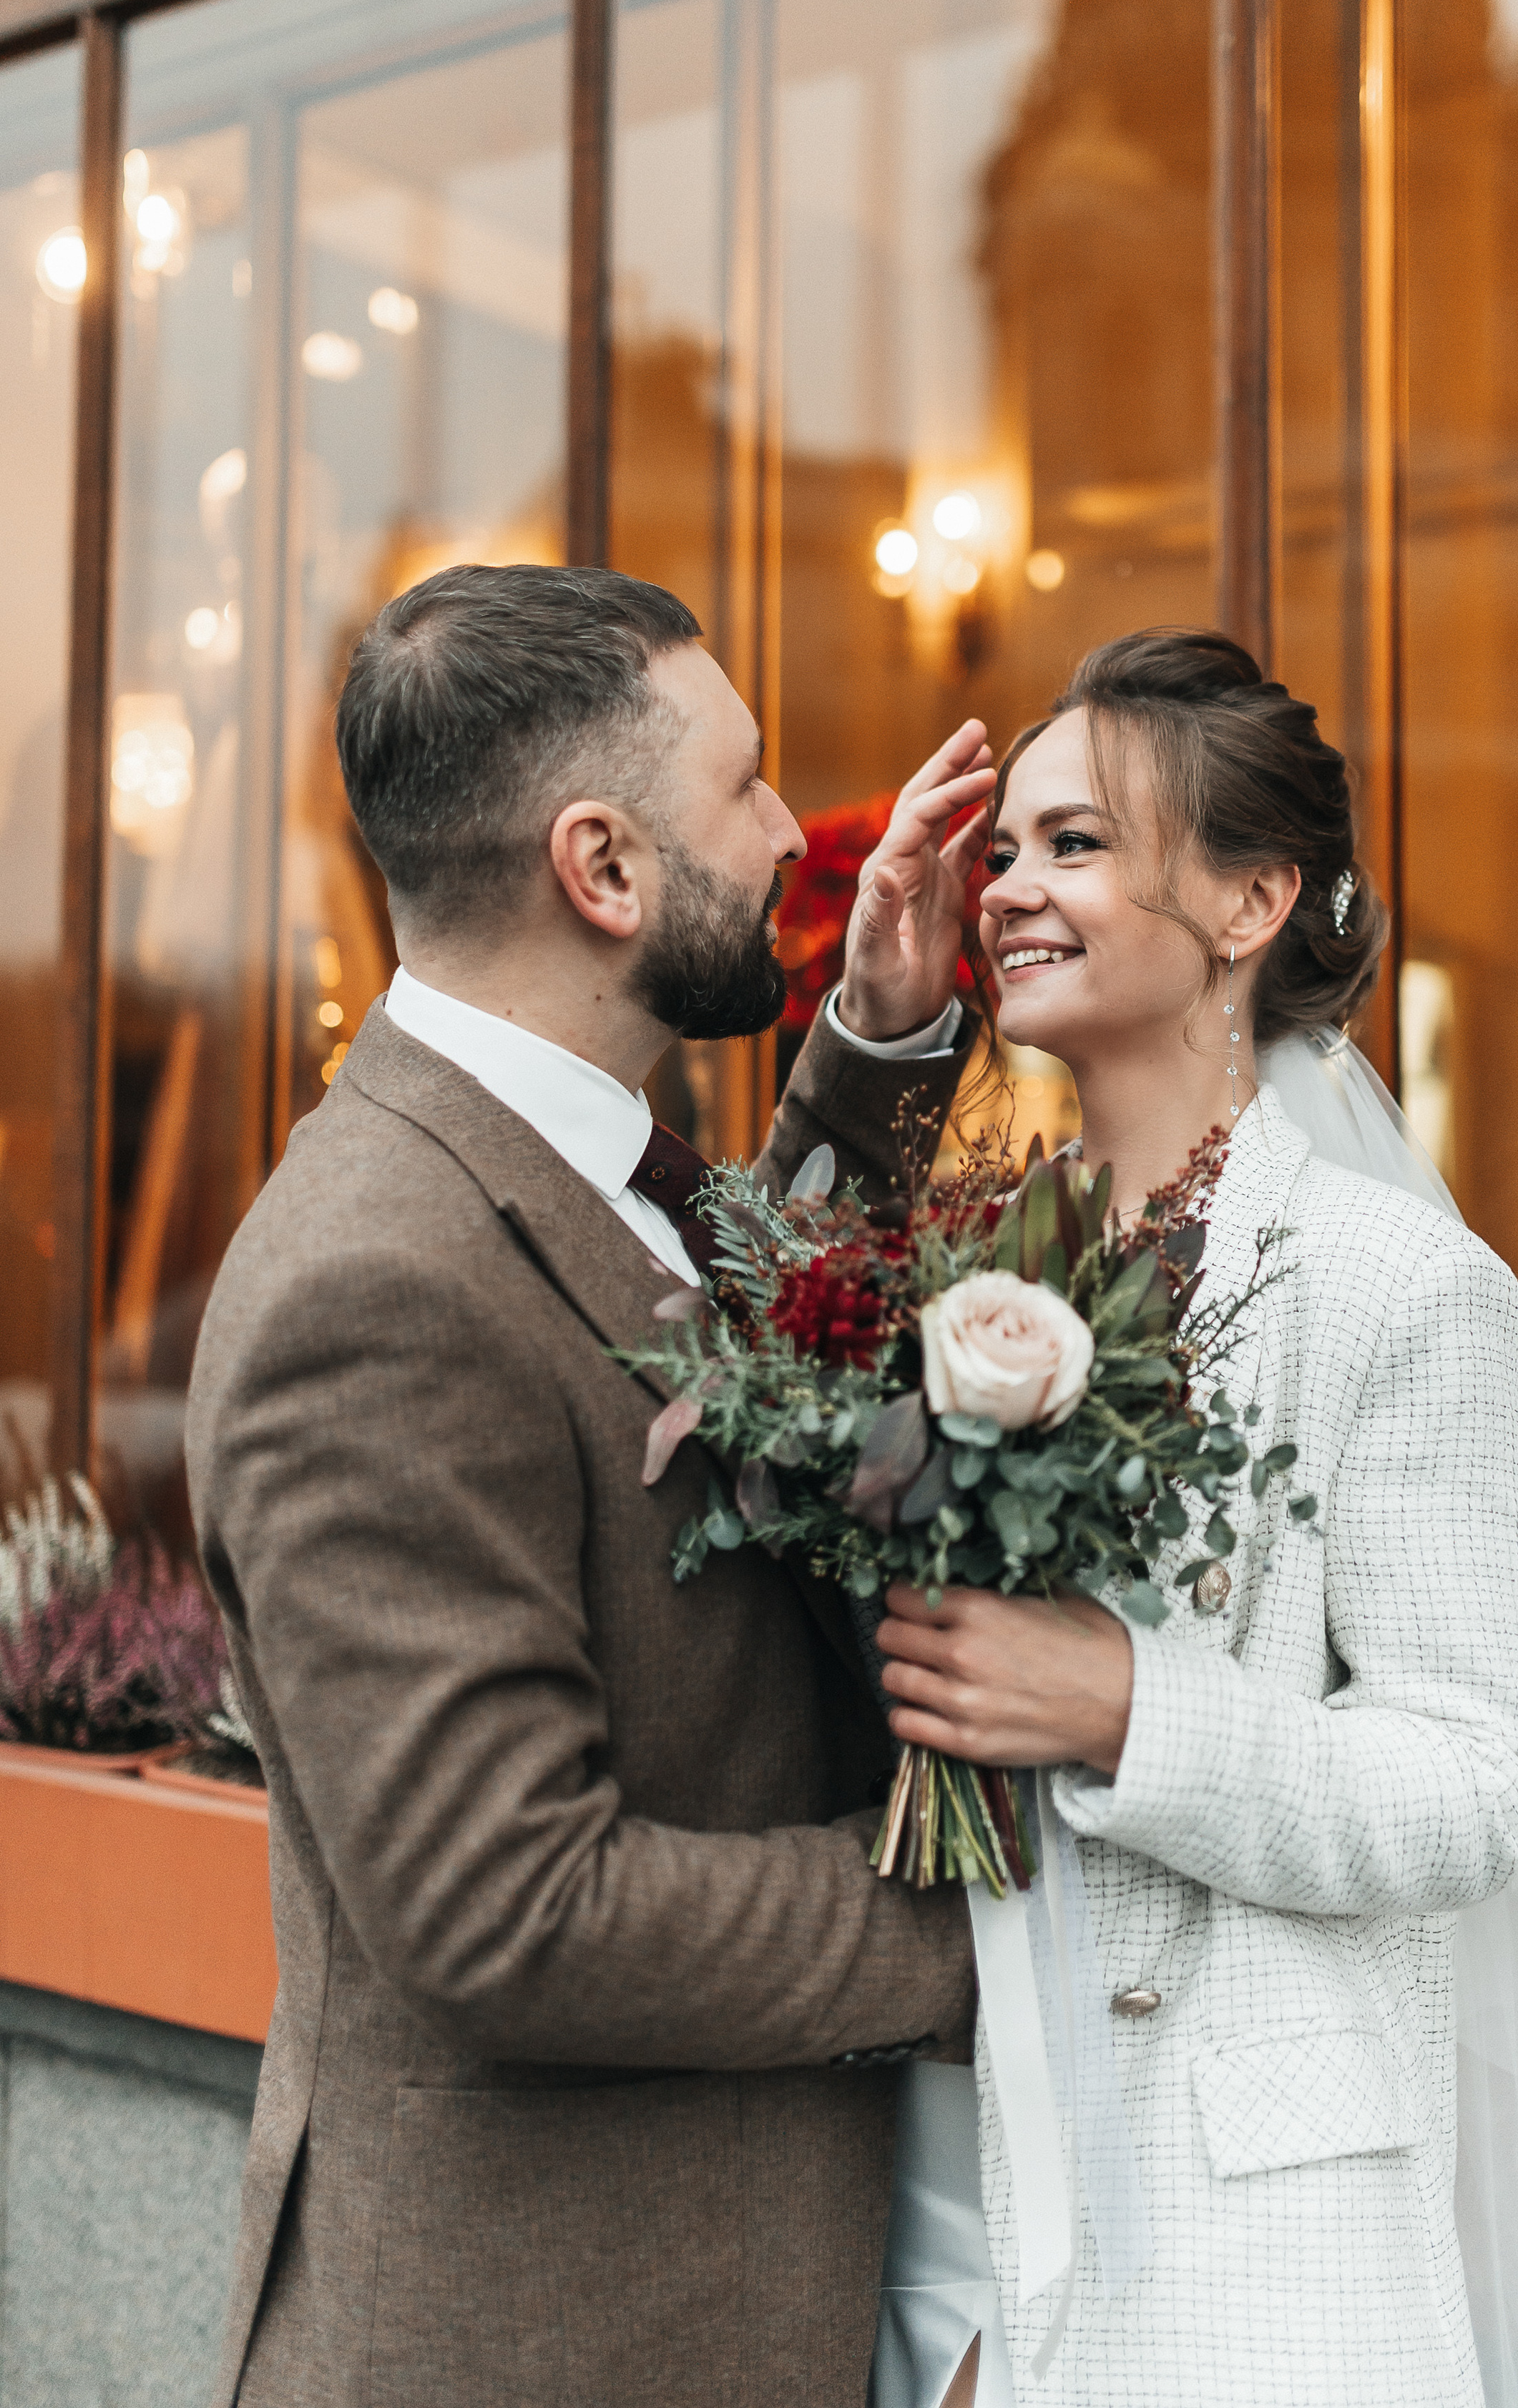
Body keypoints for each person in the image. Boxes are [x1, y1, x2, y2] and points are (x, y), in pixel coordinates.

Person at [869, 627, 1518, 2408]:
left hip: (1259, 2222)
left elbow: (1479, 1780)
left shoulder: (1391, 1280)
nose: (1008, 884)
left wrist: (1123, 1706)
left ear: (1248, 902)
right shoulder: (983, 1259)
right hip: (971, 2152)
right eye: (1004, 846)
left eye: (1075, 844)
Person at [186, 561, 997, 2408]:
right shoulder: (371, 1288)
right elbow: (511, 1910)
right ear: (604, 867)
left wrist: (871, 1041)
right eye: (748, 784)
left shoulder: (563, 1156)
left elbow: (727, 1372)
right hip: (543, 2341)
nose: (798, 833)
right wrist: (976, 1935)